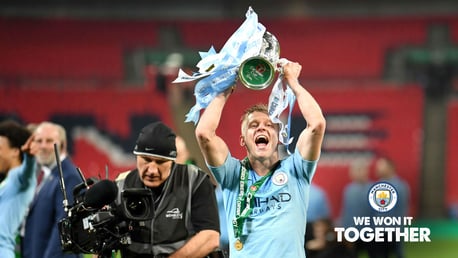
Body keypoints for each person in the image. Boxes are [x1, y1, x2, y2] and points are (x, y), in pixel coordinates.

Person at [195, 61, 326, 257]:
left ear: (279, 137)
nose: (261, 128)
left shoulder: (296, 170)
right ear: (243, 140)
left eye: (269, 125)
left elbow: (316, 125)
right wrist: (225, 89)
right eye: (253, 125)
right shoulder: (232, 175)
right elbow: (204, 134)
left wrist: (293, 83)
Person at [115, 121, 221, 258]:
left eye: (160, 162)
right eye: (146, 160)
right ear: (136, 156)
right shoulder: (121, 185)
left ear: (172, 160)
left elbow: (210, 238)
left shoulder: (195, 180)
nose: (152, 170)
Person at [21, 121, 83, 258]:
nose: (42, 146)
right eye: (39, 141)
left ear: (62, 145)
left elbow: (63, 232)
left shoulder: (68, 177)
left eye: (49, 141)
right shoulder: (49, 175)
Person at [0, 120, 37, 258]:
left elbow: (26, 174)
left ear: (15, 151)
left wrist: (29, 157)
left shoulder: (19, 178)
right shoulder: (7, 181)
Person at [372, 156, 410, 258]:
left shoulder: (401, 186)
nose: (378, 169)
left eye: (381, 166)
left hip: (393, 230)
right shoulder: (376, 185)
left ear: (390, 168)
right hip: (378, 231)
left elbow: (401, 211)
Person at [339, 159, 374, 258]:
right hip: (352, 233)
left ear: (366, 171)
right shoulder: (348, 190)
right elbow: (346, 211)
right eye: (355, 170)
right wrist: (344, 230)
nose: (358, 173)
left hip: (370, 232)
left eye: (361, 169)